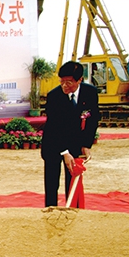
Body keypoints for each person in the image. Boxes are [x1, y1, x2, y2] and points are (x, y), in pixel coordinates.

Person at [41, 60, 100, 207]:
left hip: (74, 141)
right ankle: (51, 210)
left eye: (69, 82)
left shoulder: (90, 92)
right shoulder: (54, 96)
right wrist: (64, 152)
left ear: (79, 80)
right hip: (53, 143)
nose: (64, 86)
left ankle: (73, 209)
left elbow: (93, 120)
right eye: (62, 81)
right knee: (52, 182)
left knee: (73, 179)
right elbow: (54, 127)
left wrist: (86, 145)